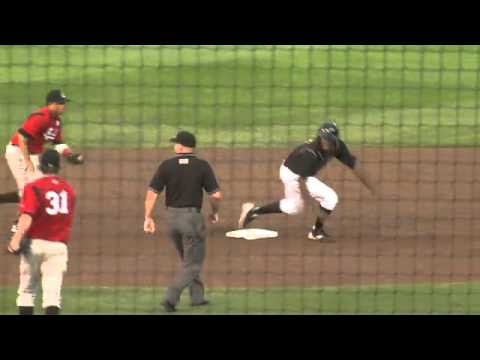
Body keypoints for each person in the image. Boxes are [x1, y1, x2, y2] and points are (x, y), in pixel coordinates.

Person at [238, 121, 376, 241]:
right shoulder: (309, 152)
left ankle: (254, 211)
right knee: (307, 204)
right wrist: (310, 204)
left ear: (335, 139)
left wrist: (370, 186)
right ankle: (315, 232)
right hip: (292, 173)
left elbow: (353, 164)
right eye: (323, 139)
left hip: (304, 173)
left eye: (328, 139)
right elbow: (302, 181)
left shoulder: (338, 146)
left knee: (302, 205)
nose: (325, 142)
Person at [144, 131, 222, 313]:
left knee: (188, 260)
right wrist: (214, 212)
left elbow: (152, 193)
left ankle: (197, 297)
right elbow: (216, 195)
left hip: (171, 219)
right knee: (193, 263)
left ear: (180, 146)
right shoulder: (202, 166)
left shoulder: (166, 165)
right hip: (191, 220)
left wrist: (148, 217)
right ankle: (171, 297)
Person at [0, 90, 83, 233]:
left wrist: (70, 155)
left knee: (39, 188)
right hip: (18, 151)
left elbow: (58, 142)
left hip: (31, 154)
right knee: (29, 189)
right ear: (52, 104)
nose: (63, 106)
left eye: (64, 103)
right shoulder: (40, 117)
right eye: (61, 103)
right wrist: (27, 161)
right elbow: (21, 138)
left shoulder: (56, 122)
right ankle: (18, 225)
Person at [7, 149, 76, 315]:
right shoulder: (69, 191)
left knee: (27, 292)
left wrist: (15, 240)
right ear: (58, 167)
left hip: (34, 245)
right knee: (52, 297)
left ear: (41, 166)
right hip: (58, 248)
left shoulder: (33, 187)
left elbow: (27, 217)